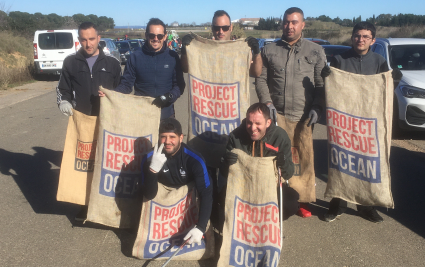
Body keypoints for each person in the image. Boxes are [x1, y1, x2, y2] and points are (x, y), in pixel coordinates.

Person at [322, 21, 402, 223]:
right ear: (352, 37)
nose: (361, 39)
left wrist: (395, 80)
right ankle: (337, 205)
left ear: (373, 40)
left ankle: (366, 207)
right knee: (341, 160)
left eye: (366, 36)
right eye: (358, 35)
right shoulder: (339, 59)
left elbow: (385, 90)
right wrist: (327, 77)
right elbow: (332, 89)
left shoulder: (379, 61)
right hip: (344, 120)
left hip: (368, 122)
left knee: (367, 163)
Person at [255, 7, 327, 218]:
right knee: (276, 159)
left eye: (294, 22)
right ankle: (277, 196)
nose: (290, 26)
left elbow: (322, 84)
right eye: (286, 22)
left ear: (303, 25)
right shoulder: (269, 50)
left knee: (303, 159)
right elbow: (260, 78)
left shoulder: (315, 51)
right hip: (277, 115)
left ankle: (303, 201)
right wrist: (267, 102)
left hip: (304, 116)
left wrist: (317, 108)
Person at [56, 21, 121, 221]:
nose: (88, 43)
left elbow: (122, 92)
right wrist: (64, 102)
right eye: (83, 39)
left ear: (99, 38)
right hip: (82, 123)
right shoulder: (70, 62)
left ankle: (110, 206)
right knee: (86, 166)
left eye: (91, 39)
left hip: (107, 122)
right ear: (79, 40)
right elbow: (62, 90)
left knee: (108, 165)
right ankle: (86, 206)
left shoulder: (112, 63)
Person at [141, 118, 213, 245]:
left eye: (172, 137)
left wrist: (201, 227)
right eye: (163, 137)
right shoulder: (149, 157)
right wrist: (153, 170)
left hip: (187, 203)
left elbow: (206, 193)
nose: (167, 142)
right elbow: (148, 195)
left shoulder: (195, 159)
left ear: (181, 137)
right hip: (163, 203)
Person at [111, 18, 185, 120]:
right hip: (142, 115)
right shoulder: (135, 57)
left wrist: (170, 96)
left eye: (159, 36)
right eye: (151, 35)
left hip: (166, 114)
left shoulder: (172, 56)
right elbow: (126, 85)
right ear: (146, 35)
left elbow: (180, 85)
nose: (156, 39)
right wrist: (110, 94)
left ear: (165, 36)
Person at [180, 10, 263, 77]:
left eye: (225, 28)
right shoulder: (202, 50)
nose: (221, 31)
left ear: (231, 28)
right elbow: (186, 69)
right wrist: (184, 51)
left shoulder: (240, 51)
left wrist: (256, 53)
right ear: (212, 28)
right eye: (217, 28)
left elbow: (256, 73)